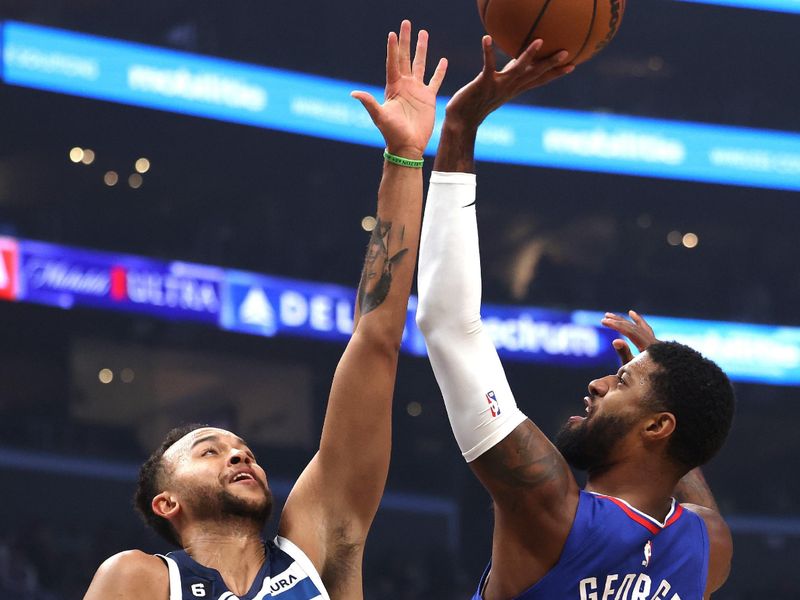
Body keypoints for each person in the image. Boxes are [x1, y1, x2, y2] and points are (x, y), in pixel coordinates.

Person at [83, 20, 447, 600]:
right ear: (166, 502)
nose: (237, 453)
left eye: (241, 450)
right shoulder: (141, 577)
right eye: (210, 451)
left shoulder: (317, 549)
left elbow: (378, 336)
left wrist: (405, 157)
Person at [415, 36, 735, 600]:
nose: (597, 382)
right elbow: (688, 476)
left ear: (658, 426)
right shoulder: (706, 550)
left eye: (621, 382)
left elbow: (448, 325)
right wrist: (661, 383)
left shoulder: (552, 507)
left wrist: (460, 129)